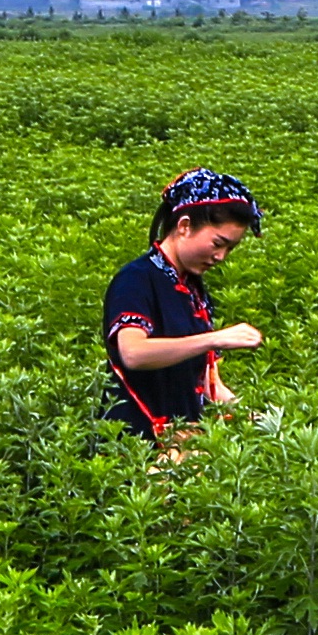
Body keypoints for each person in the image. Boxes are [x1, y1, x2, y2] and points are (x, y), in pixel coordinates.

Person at [106, 169, 266, 443]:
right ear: (184, 226)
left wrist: (254, 418)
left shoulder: (194, 290)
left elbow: (206, 381)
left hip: (185, 444)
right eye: (218, 244)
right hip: (138, 447)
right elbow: (133, 353)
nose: (220, 257)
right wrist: (214, 339)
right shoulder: (137, 279)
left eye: (230, 249)